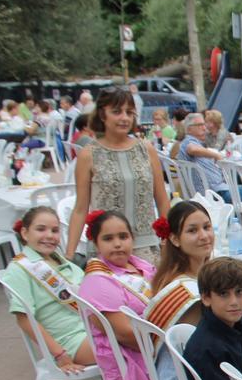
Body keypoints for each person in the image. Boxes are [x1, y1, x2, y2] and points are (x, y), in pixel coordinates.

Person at [65, 88, 170, 262]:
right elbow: (80, 209)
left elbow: (162, 199)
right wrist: (69, 254)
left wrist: (167, 239)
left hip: (146, 247)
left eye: (129, 112)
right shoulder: (88, 155)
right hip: (106, 249)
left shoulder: (146, 150)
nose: (124, 118)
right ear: (102, 114)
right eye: (116, 112)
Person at [78, 210, 158, 380]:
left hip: (150, 344)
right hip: (132, 358)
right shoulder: (99, 281)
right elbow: (126, 335)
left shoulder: (140, 266)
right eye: (108, 238)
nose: (117, 244)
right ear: (95, 243)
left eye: (123, 236)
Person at [142, 201, 214, 380]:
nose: (204, 236)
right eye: (192, 231)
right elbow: (212, 350)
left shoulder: (180, 277)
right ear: (174, 239)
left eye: (207, 227)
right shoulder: (186, 293)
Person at [3, 207, 94, 373]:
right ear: (25, 233)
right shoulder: (20, 269)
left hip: (93, 329)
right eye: (40, 229)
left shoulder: (62, 262)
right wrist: (60, 355)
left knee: (145, 336)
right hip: (71, 342)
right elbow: (24, 319)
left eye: (55, 230)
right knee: (140, 343)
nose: (49, 236)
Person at [176, 113, 235, 202]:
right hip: (215, 194)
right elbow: (192, 149)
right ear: (189, 129)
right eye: (200, 125)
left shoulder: (195, 142)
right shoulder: (188, 141)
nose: (204, 128)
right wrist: (216, 155)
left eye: (204, 125)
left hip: (215, 191)